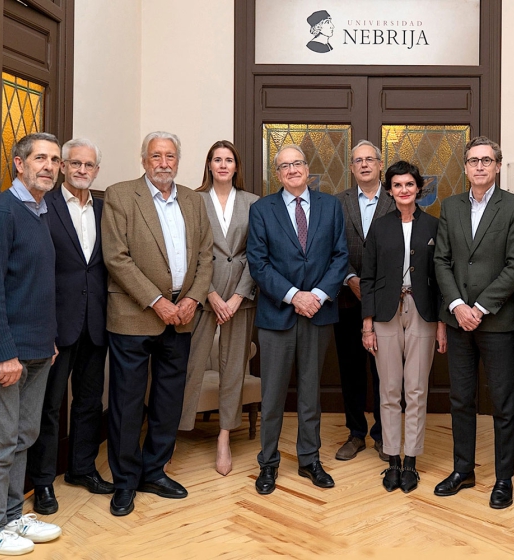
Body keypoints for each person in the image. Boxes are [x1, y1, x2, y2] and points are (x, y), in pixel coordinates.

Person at [101, 131, 213, 516]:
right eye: (156, 156)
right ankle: (125, 481)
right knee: (127, 403)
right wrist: (158, 302)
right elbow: (117, 259)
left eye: (169, 156)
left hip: (182, 318)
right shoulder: (119, 195)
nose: (163, 162)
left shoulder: (193, 201)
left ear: (178, 161)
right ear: (143, 159)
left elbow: (206, 256)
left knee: (168, 401)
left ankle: (155, 471)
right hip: (134, 317)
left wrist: (194, 298)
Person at [0, 132, 63, 555]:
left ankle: (10, 517)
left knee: (23, 436)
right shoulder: (0, 213)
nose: (50, 166)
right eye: (40, 158)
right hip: (5, 354)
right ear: (19, 164)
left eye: (55, 160)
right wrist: (5, 353)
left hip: (38, 348)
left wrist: (50, 340)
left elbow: (37, 286)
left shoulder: (38, 212)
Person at [433, 136, 514, 509]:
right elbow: (441, 261)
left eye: (486, 161)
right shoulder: (451, 206)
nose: (479, 167)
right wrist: (458, 305)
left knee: (504, 403)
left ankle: (503, 478)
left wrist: (481, 307)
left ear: (498, 166)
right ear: (465, 166)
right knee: (461, 400)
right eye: (473, 161)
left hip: (497, 321)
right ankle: (463, 470)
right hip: (458, 322)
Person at [246, 144, 348, 495]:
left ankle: (309, 460)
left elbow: (340, 256)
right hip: (277, 314)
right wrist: (294, 296)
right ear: (277, 174)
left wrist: (317, 296)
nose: (292, 170)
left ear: (308, 169)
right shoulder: (261, 210)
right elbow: (258, 264)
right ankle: (268, 463)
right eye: (284, 165)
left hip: (318, 314)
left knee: (310, 393)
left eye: (297, 163)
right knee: (272, 395)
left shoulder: (330, 206)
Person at [27, 138, 113, 516]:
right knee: (49, 406)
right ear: (63, 168)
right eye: (74, 163)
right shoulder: (44, 206)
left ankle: (81, 469)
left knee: (90, 402)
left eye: (88, 165)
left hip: (96, 322)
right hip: (57, 326)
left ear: (96, 171)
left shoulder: (106, 208)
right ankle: (43, 481)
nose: (81, 170)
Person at [361, 161, 446, 493]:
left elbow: (441, 280)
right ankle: (392, 459)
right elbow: (367, 278)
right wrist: (367, 325)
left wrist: (440, 324)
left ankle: (411, 460)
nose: (404, 190)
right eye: (397, 185)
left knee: (416, 389)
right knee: (389, 390)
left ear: (418, 188)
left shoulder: (435, 227)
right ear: (390, 190)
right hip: (385, 313)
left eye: (409, 184)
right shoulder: (380, 228)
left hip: (423, 313)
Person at [180, 140, 259, 476]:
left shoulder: (253, 203)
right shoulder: (193, 201)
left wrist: (239, 296)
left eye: (229, 159)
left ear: (236, 166)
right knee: (189, 366)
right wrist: (209, 295)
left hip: (240, 297)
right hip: (202, 294)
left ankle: (224, 438)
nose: (223, 165)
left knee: (232, 369)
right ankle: (173, 433)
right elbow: (186, 250)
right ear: (209, 165)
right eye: (217, 159)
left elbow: (258, 254)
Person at [333, 140, 395, 462]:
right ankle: (356, 433)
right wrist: (352, 279)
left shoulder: (396, 198)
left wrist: (375, 285)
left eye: (370, 159)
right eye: (358, 160)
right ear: (352, 167)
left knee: (384, 371)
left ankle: (384, 435)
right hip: (347, 298)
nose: (365, 165)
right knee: (351, 370)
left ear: (380, 164)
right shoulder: (336, 203)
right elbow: (329, 247)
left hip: (386, 302)